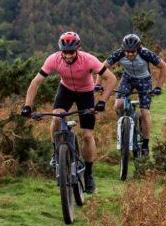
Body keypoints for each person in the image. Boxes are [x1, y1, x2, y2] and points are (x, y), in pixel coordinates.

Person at [21, 31, 116, 194]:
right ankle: (56, 152)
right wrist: (27, 106)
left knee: (87, 135)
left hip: (86, 93)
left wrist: (102, 101)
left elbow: (111, 78)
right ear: (60, 50)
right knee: (56, 118)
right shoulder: (53, 59)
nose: (68, 56)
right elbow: (36, 82)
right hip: (65, 90)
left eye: (71, 52)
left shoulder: (88, 59)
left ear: (77, 49)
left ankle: (88, 174)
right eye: (65, 52)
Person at [102, 33, 166, 158]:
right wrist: (97, 84)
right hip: (127, 79)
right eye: (127, 52)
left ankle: (145, 144)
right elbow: (102, 67)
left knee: (144, 113)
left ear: (138, 49)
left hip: (144, 80)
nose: (130, 54)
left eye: (133, 52)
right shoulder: (119, 53)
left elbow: (164, 67)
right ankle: (123, 128)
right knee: (118, 105)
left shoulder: (145, 53)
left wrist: (159, 86)